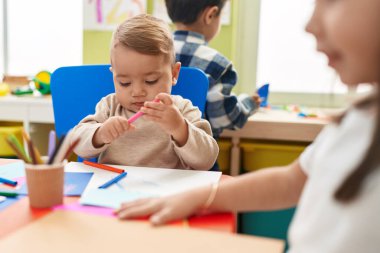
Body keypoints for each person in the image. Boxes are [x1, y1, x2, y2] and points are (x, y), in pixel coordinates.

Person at [115, 0, 380, 251]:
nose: (309, 25)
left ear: (174, 73)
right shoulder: (356, 120)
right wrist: (197, 197)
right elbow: (290, 180)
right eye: (125, 82)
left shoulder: (183, 107)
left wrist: (182, 133)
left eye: (332, 2)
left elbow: (208, 151)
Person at [71, 14, 219, 171]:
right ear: (113, 76)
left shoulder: (181, 110)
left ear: (174, 74)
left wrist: (179, 128)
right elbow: (77, 144)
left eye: (151, 81)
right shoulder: (109, 106)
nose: (137, 92)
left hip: (167, 192)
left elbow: (206, 161)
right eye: (125, 83)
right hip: (115, 189)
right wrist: (100, 134)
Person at [165, 0, 261, 139]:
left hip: (152, 152)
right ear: (210, 15)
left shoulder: (152, 52)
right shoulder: (217, 64)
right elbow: (224, 118)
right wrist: (249, 104)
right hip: (196, 155)